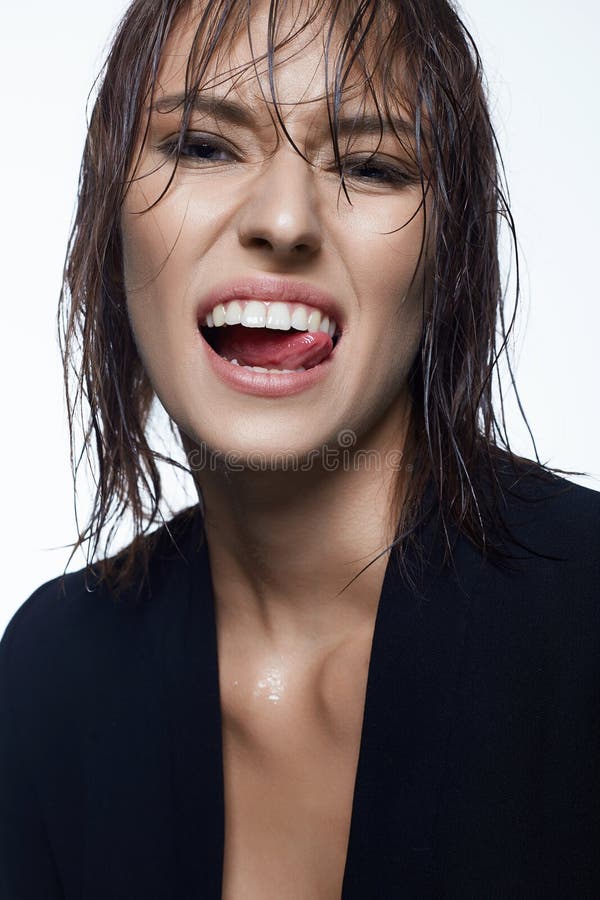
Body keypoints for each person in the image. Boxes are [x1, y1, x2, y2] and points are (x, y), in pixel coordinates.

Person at [1, 0, 599, 897]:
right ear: (107, 213)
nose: (285, 220)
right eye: (204, 145)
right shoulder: (55, 674)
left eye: (371, 164)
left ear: (450, 255)